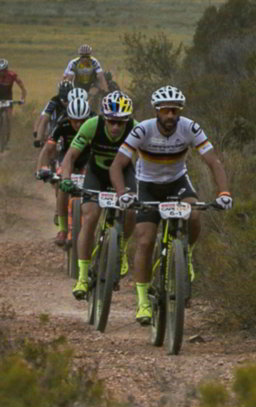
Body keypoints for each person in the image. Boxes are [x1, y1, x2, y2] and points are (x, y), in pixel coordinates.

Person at [110, 85, 232, 326]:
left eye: (174, 111)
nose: (170, 116)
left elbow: (213, 161)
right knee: (144, 241)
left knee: (195, 213)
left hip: (178, 182)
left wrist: (224, 193)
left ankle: (186, 254)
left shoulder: (190, 127)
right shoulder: (142, 130)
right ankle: (143, 299)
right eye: (166, 111)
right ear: (157, 111)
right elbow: (117, 165)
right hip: (146, 185)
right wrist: (123, 193)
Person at [56, 90, 136, 300]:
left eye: (121, 122)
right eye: (111, 122)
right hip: (97, 174)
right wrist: (66, 178)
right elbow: (70, 156)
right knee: (90, 216)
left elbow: (147, 162)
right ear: (103, 118)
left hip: (125, 174)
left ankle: (122, 249)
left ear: (128, 120)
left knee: (131, 213)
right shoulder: (91, 125)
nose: (116, 127)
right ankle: (82, 276)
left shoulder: (136, 129)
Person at [37, 84, 94, 246]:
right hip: (67, 159)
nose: (78, 125)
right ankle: (62, 229)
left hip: (88, 159)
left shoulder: (95, 121)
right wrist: (43, 168)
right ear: (69, 118)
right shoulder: (62, 124)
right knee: (63, 186)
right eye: (75, 121)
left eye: (82, 121)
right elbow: (48, 148)